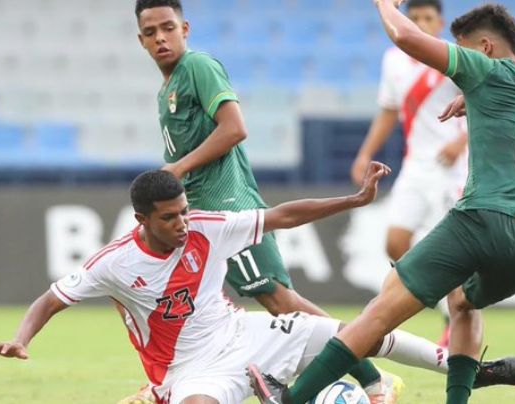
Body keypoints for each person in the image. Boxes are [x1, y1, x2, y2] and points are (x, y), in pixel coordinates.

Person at [0, 167, 515, 404]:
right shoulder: (114, 262)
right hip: (189, 368)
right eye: (170, 217)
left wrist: (354, 200)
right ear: (143, 218)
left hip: (247, 333)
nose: (183, 222)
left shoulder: (207, 228)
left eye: (185, 211)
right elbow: (51, 298)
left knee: (345, 330)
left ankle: (467, 371)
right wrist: (23, 337)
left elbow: (284, 215)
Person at [248, 3, 515, 404]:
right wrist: (477, 100)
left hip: (484, 217)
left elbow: (406, 38)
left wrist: (383, 4)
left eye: (463, 51)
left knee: (382, 308)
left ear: (484, 47)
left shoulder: (485, 68)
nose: (459, 64)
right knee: (462, 301)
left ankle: (292, 399)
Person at [131, 0, 400, 401]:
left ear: (185, 28)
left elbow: (235, 128)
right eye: (151, 32)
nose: (160, 38)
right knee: (205, 306)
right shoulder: (166, 90)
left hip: (228, 208)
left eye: (167, 28)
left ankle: (374, 379)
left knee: (279, 301)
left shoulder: (197, 68)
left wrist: (177, 169)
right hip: (202, 216)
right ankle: (173, 382)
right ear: (141, 40)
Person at [350, 0, 468, 348]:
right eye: (413, 17)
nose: (420, 22)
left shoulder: (451, 58)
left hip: (451, 170)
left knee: (451, 248)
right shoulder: (394, 60)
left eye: (427, 18)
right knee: (396, 243)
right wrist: (365, 153)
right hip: (415, 167)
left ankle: (455, 317)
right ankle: (439, 297)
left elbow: (482, 104)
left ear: (440, 22)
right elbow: (389, 111)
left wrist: (461, 142)